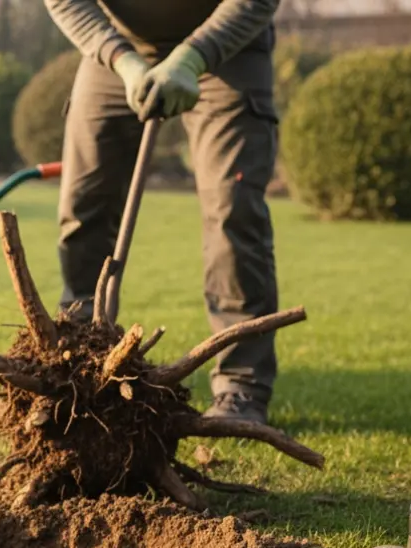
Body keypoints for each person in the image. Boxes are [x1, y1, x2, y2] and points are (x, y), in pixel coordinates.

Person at [43, 0, 282, 425]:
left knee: (233, 212)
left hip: (228, 49)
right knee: (83, 208)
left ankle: (240, 390)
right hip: (118, 48)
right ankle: (76, 372)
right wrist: (124, 61)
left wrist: (191, 58)